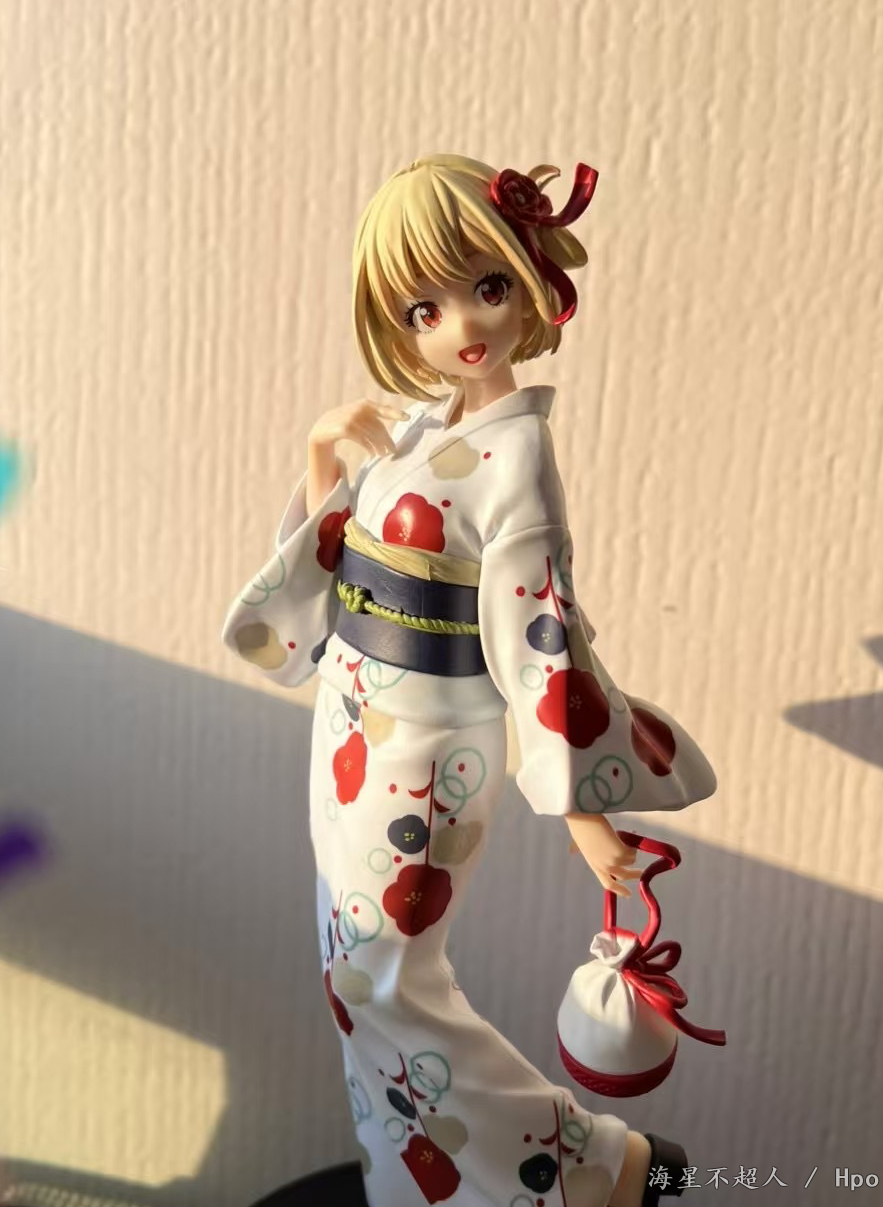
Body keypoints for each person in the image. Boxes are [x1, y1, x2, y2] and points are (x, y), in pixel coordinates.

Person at [222, 155, 716, 1207]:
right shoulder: (422, 425)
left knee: (385, 977)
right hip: (352, 719)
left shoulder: (515, 458)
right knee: (348, 972)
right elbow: (345, 553)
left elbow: (537, 632)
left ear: (530, 278)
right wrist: (322, 459)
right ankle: (406, 1183)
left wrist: (582, 808)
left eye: (487, 286)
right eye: (424, 308)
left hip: (431, 742)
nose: (463, 325)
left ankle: (596, 1166)